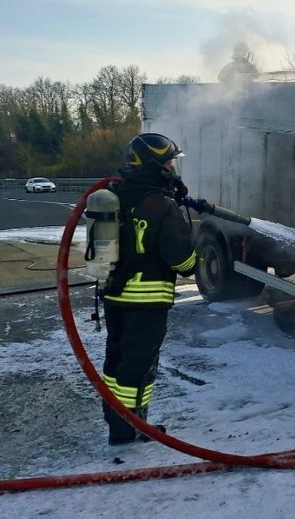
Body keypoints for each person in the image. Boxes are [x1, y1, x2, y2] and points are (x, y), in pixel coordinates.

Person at [101, 132, 196, 445]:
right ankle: (132, 427)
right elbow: (183, 262)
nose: (172, 166)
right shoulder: (162, 206)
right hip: (148, 299)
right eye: (169, 160)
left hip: (115, 295)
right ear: (158, 164)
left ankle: (117, 423)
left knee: (115, 362)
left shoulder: (116, 195)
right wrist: (199, 257)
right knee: (139, 367)